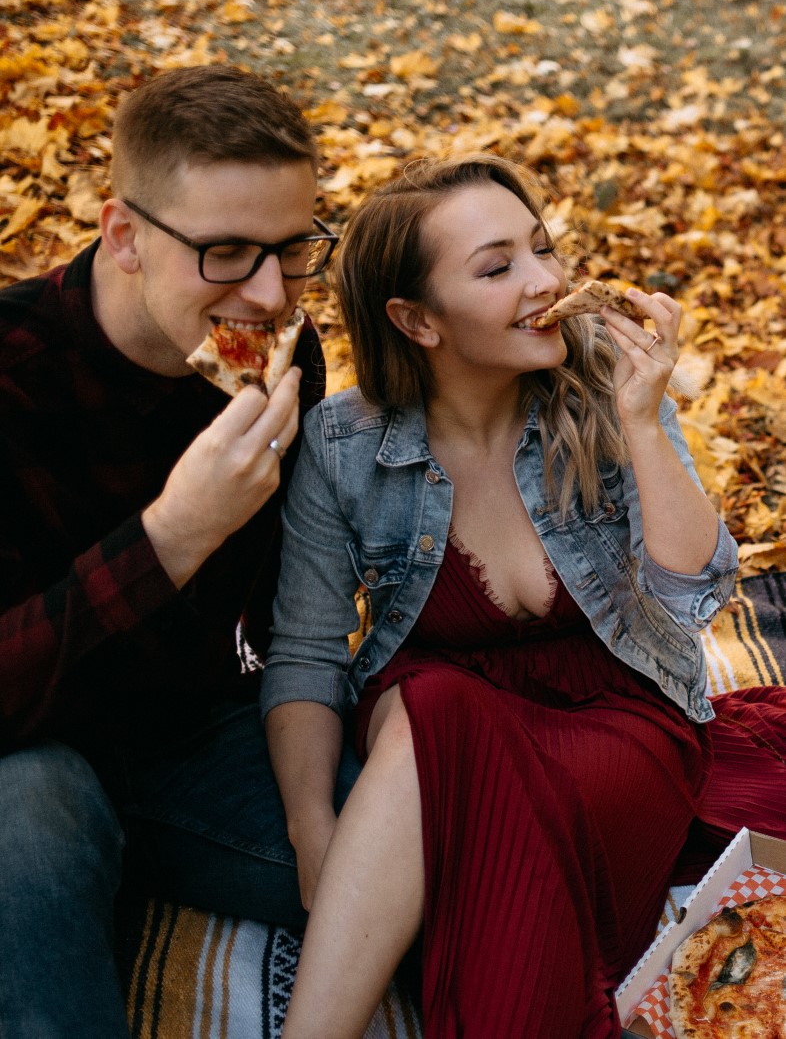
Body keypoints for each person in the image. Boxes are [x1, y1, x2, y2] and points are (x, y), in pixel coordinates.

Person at [261, 153, 786, 1039]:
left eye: (544, 249)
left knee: (439, 735)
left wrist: (640, 421)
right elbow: (307, 652)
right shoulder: (342, 445)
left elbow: (694, 593)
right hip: (433, 732)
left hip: (616, 720)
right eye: (498, 267)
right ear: (415, 319)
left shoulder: (607, 386)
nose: (546, 282)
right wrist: (316, 830)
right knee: (433, 705)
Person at [0, 64, 362, 1039]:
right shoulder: (14, 375)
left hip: (198, 739)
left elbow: (289, 613)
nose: (270, 292)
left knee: (434, 846)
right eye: (229, 252)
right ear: (124, 236)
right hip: (31, 754)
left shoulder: (283, 346)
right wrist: (173, 535)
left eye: (294, 250)